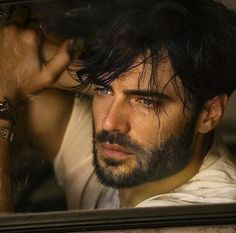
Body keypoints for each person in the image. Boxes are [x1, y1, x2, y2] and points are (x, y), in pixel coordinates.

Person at [0, 0, 236, 212]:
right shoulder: (140, 158)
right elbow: (18, 68)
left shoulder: (205, 215)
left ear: (209, 113)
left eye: (146, 102)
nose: (110, 122)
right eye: (102, 90)